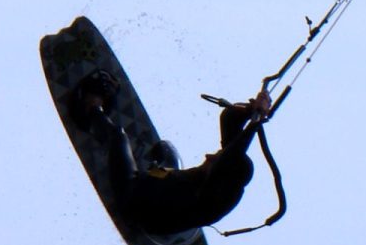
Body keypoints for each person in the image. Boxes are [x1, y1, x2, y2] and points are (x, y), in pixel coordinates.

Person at [68, 72, 273, 236]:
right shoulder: (222, 172)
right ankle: (141, 164)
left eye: (215, 160)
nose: (208, 156)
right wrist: (250, 110)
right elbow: (229, 121)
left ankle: (89, 108)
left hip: (135, 199)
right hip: (162, 187)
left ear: (222, 172)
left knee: (118, 137)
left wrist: (256, 122)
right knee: (166, 150)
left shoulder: (218, 198)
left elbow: (233, 153)